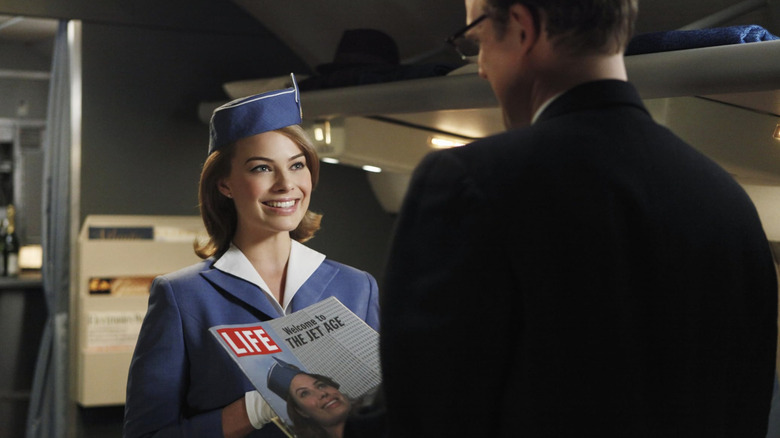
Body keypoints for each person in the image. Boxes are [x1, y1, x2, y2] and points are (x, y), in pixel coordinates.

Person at [377, 1, 778, 437]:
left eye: (477, 43)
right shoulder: (730, 200)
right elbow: (747, 403)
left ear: (521, 27)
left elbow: (421, 413)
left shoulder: (470, 180)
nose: (481, 69)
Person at [124, 75, 380, 438]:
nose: (285, 184)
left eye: (297, 165)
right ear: (224, 184)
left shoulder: (358, 287)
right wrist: (252, 409)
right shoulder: (183, 298)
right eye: (262, 167)